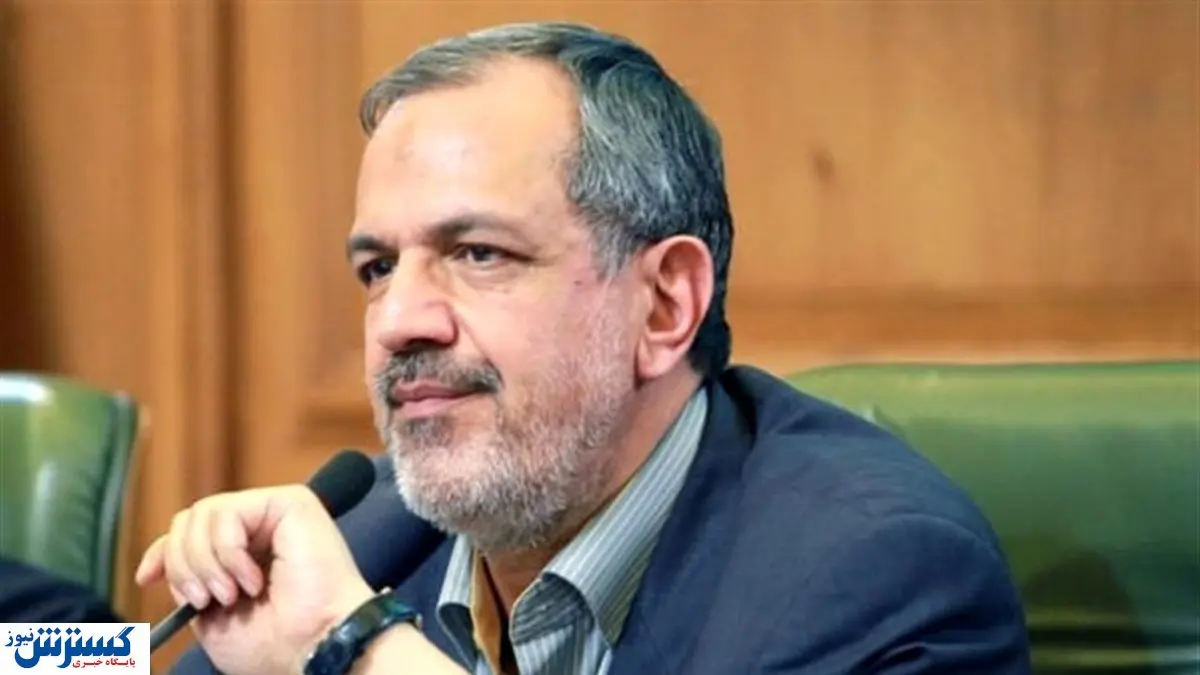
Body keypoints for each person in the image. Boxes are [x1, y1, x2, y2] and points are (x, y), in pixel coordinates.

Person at [141, 21, 1032, 675]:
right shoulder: (375, 529)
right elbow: (95, 655)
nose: (396, 320)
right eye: (378, 267)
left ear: (664, 304)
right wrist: (89, 643)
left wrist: (361, 648)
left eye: (478, 253)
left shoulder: (875, 576)